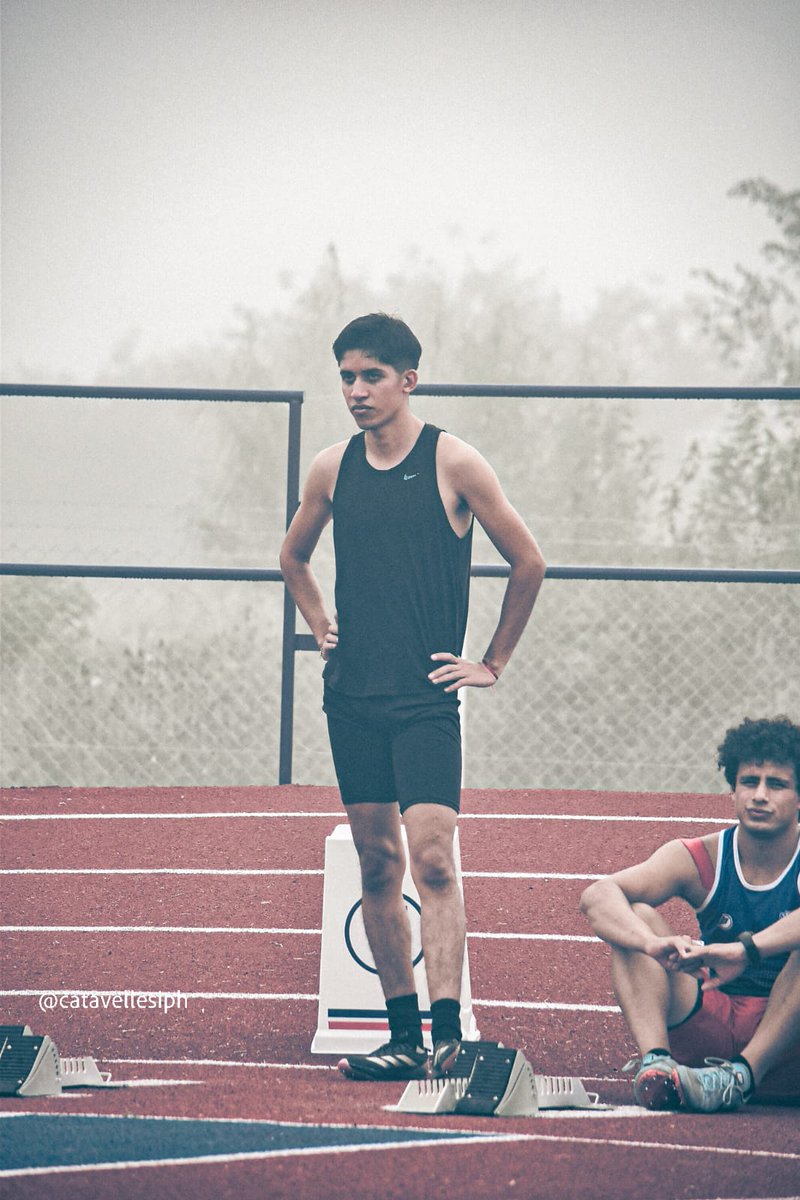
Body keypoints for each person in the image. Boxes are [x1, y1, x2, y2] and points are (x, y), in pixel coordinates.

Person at [280, 313, 545, 1081]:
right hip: (352, 696)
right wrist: (321, 622)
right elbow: (294, 556)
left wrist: (491, 662)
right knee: (374, 866)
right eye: (345, 377)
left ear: (408, 380)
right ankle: (401, 1038)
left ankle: (449, 1035)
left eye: (370, 376)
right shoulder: (332, 468)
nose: (356, 391)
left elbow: (528, 563)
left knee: (432, 860)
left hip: (426, 698)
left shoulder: (453, 461)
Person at [580, 715, 800, 1112]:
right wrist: (652, 943)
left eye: (777, 784)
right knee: (635, 919)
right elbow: (598, 896)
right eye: (749, 782)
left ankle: (743, 1076)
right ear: (733, 792)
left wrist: (745, 951)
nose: (760, 795)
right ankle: (657, 1065)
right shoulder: (702, 856)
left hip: (787, 1046)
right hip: (713, 1028)